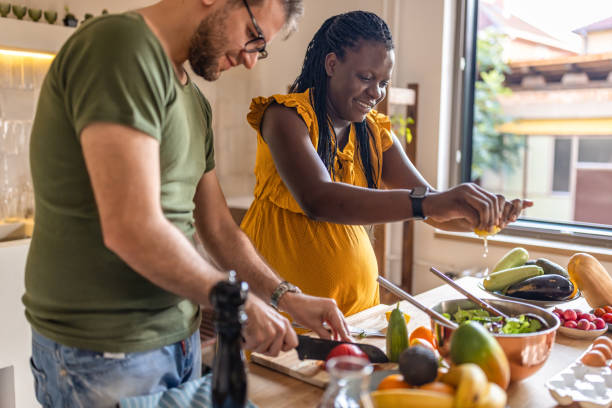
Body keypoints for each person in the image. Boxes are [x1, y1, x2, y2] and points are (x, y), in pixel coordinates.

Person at [22, 0, 352, 406]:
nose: (250, 61)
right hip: (105, 351)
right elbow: (132, 226)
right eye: (253, 36)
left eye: (260, 48)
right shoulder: (120, 47)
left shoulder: (193, 101)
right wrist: (237, 301)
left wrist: (285, 296)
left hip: (178, 342)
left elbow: (217, 229)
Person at [240, 10, 533, 316]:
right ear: (331, 64)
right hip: (280, 317)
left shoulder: (373, 134)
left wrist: (483, 215)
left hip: (357, 318)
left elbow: (434, 210)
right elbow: (319, 199)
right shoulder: (285, 118)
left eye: (383, 82)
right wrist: (432, 202)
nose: (376, 93)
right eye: (366, 78)